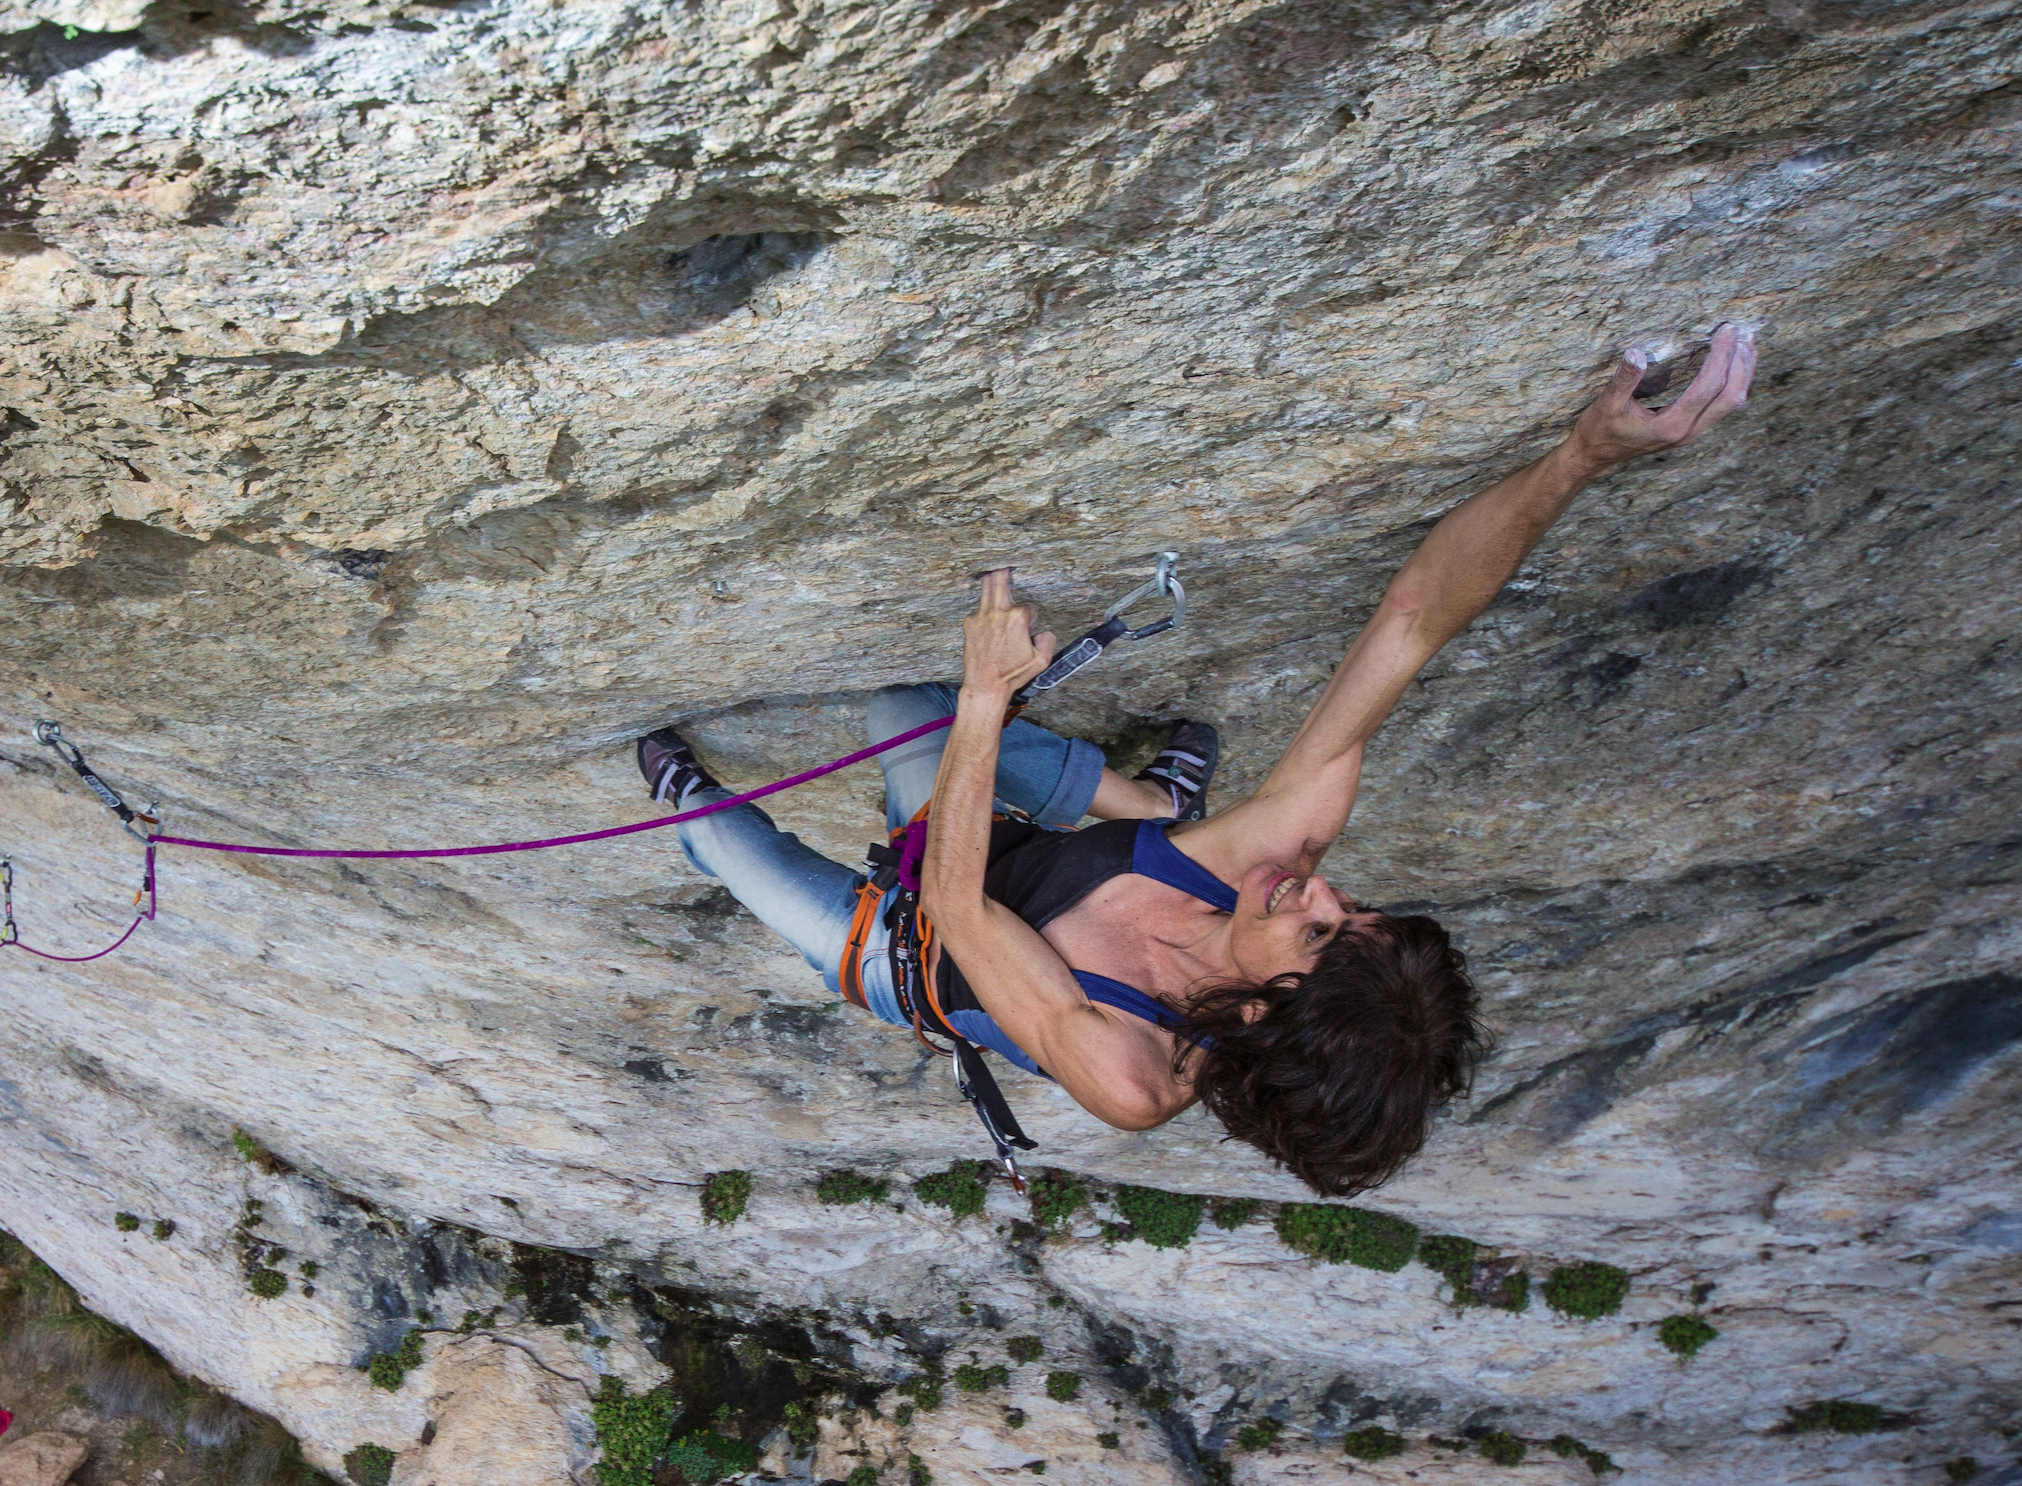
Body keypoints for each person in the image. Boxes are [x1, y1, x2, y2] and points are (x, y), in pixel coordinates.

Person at [640, 325, 1758, 1195]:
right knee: (896, 706)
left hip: (908, 948)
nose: (1319, 881)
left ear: (1263, 1013)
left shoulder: (1135, 1074)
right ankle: (1153, 804)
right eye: (1350, 904)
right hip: (999, 855)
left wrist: (987, 699)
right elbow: (1413, 622)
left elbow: (959, 913)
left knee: (715, 830)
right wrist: (1577, 459)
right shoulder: (1275, 862)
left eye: (1317, 928)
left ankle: (702, 822)